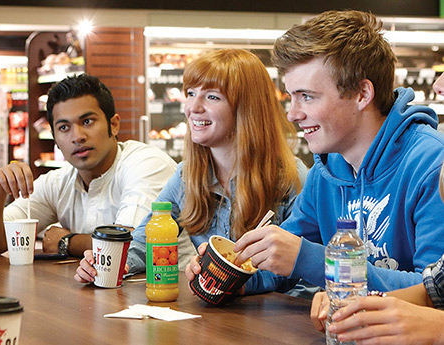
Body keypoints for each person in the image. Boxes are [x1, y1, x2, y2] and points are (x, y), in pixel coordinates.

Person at [229, 10, 444, 294]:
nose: (293, 114)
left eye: (307, 97)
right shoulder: (327, 168)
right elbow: (282, 265)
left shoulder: (431, 163)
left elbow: (432, 293)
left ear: (361, 95)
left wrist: (313, 260)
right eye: (291, 97)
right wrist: (235, 273)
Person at [75, 48, 308, 291]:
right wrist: (106, 264)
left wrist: (239, 284)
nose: (192, 108)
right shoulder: (186, 176)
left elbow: (302, 274)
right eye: (191, 93)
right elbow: (144, 244)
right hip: (213, 318)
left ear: (247, 108)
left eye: (212, 97)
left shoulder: (291, 178)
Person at [0, 74, 177, 257]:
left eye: (87, 122)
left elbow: (132, 246)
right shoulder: (58, 182)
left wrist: (67, 241)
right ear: (55, 139)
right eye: (64, 127)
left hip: (168, 297)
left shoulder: (146, 164)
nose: (77, 137)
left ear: (113, 125)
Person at [307, 68, 444, 345]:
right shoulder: (325, 169)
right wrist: (353, 303)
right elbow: (433, 289)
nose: (438, 84)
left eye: (308, 97)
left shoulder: (430, 157)